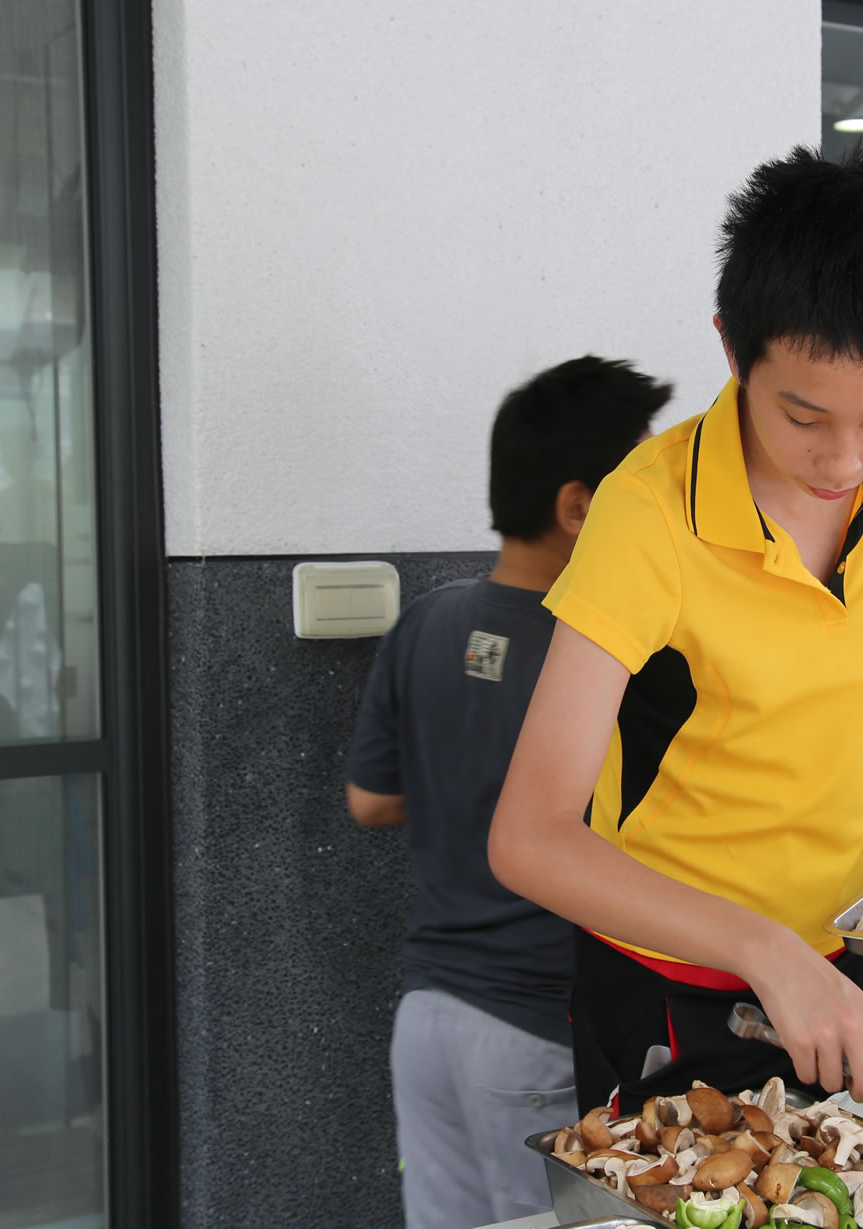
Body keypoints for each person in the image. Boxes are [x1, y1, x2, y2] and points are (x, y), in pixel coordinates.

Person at [486, 145, 863, 1117]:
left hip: (830, 955)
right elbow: (528, 838)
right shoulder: (646, 514)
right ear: (731, 347)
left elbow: (840, 678)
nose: (844, 460)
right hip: (669, 979)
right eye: (802, 416)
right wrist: (761, 947)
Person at [344, 356, 670, 1229]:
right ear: (578, 507)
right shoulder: (598, 655)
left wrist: (468, 783)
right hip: (536, 1029)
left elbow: (370, 800)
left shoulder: (428, 619)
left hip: (428, 1019)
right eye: (642, 493)